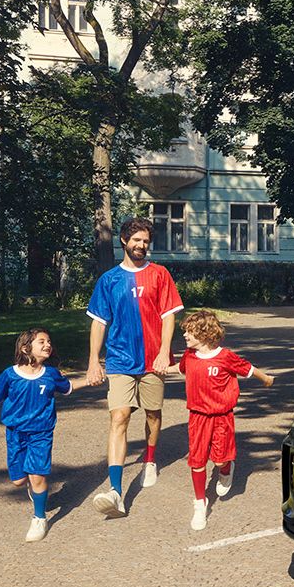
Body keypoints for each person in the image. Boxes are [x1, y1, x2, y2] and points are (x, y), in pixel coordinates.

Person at [85, 217, 183, 517]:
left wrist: (165, 352)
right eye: (136, 240)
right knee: (119, 417)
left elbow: (169, 316)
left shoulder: (160, 274)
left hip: (153, 360)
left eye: (145, 241)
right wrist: (93, 361)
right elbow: (99, 323)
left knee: (153, 414)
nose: (141, 245)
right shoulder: (109, 280)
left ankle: (150, 459)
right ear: (124, 242)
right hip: (119, 361)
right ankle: (116, 492)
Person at [0, 328, 91, 541]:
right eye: (41, 341)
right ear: (26, 348)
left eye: (49, 342)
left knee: (38, 475)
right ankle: (33, 488)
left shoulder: (51, 374)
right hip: (15, 433)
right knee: (18, 480)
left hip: (41, 433)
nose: (48, 345)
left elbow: (68, 387)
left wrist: (90, 380)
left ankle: (39, 518)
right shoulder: (9, 375)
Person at [173, 309, 274, 531]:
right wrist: (157, 368)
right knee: (197, 461)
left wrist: (265, 378)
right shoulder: (189, 357)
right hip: (197, 417)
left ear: (204, 333)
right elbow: (178, 369)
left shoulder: (225, 356)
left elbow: (248, 369)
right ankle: (200, 503)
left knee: (219, 460)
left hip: (221, 417)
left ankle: (226, 470)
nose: (184, 336)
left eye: (189, 332)